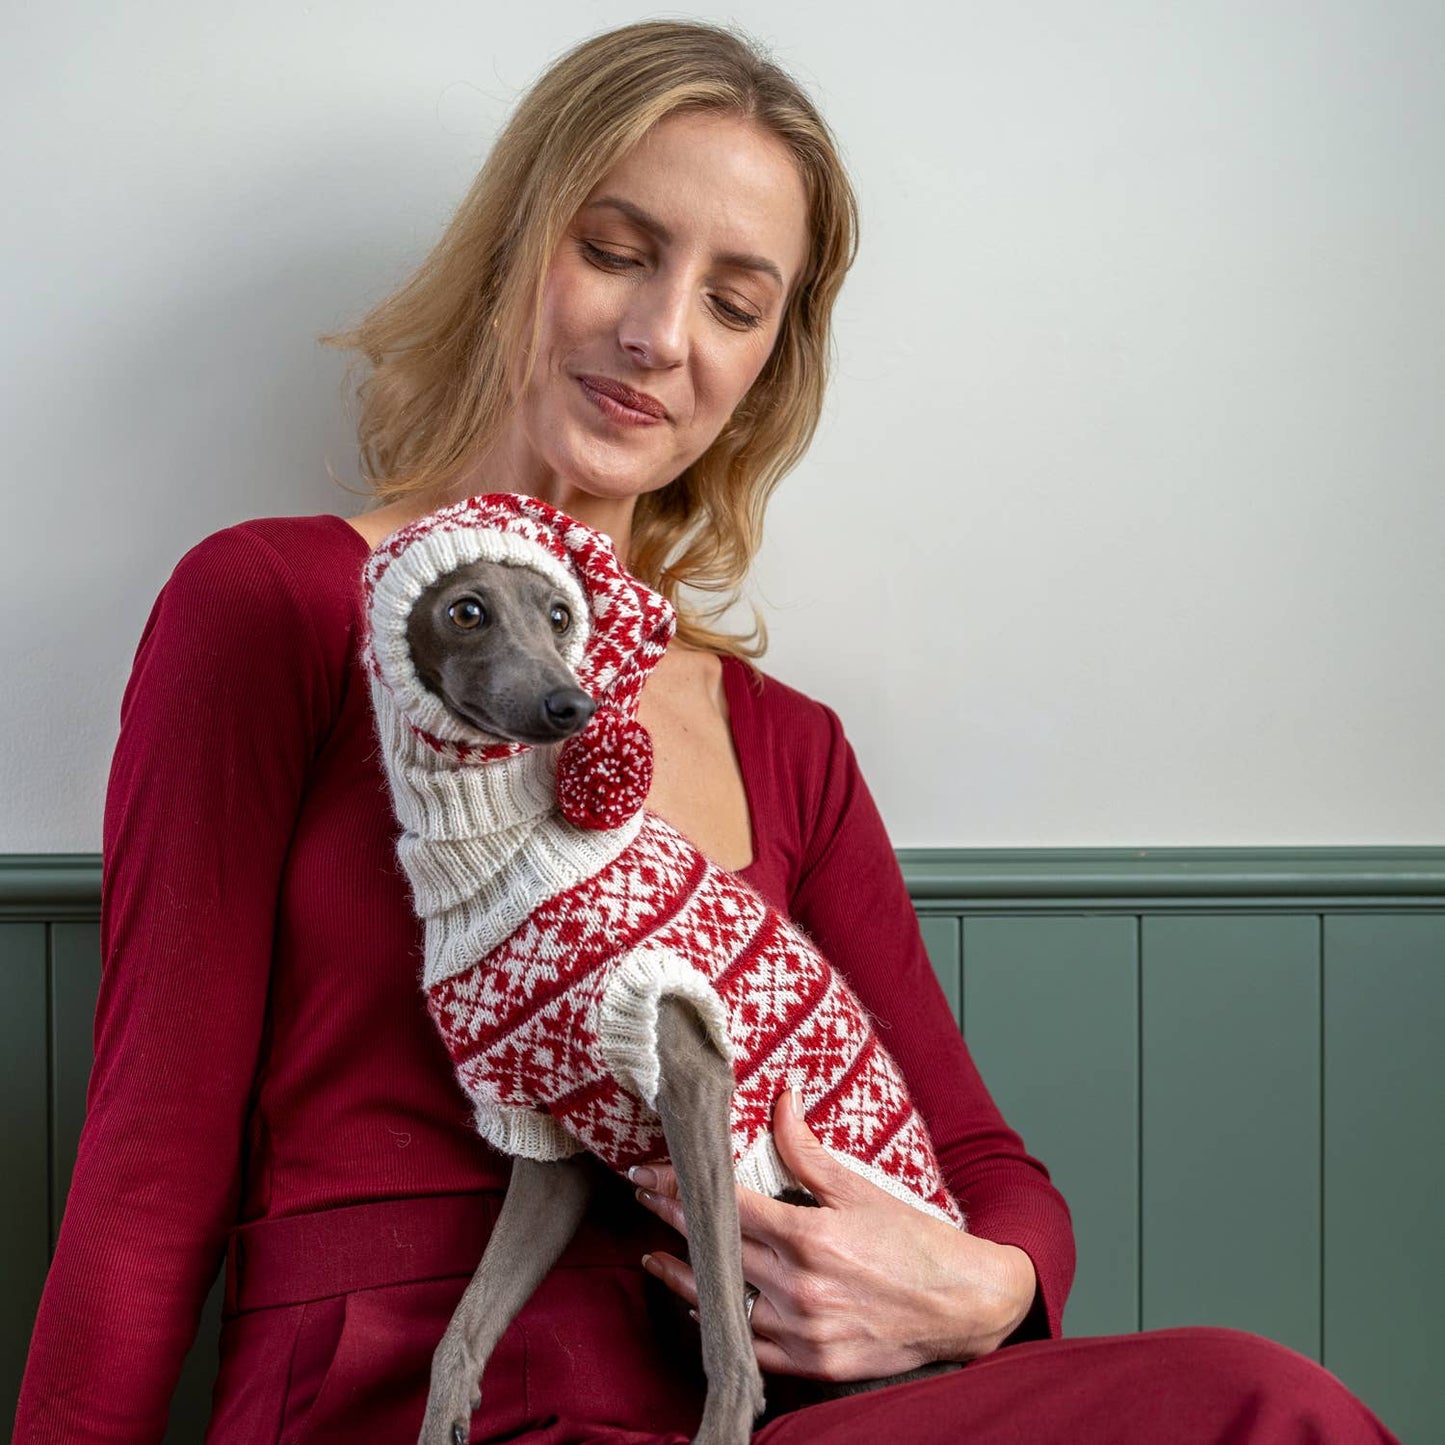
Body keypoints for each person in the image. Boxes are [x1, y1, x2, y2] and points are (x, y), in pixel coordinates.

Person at [15, 20, 1397, 1444]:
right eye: (616, 249)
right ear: (514, 246)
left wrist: (979, 1289)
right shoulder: (281, 603)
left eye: (735, 304)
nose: (659, 335)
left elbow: (986, 1165)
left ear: (762, 369)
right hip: (417, 1395)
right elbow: (149, 1163)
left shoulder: (784, 743)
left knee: (1258, 1402)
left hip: (755, 1405)